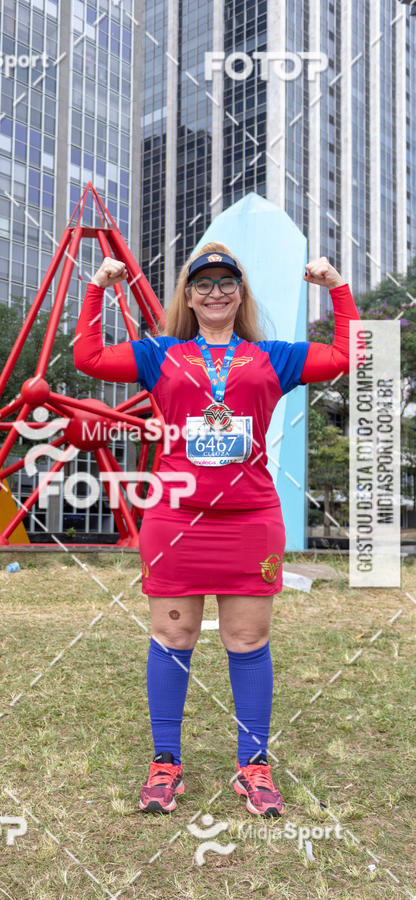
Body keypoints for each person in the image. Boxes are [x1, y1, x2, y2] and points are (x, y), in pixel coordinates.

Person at [73, 242, 359, 818]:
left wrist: (337, 287)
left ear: (240, 293)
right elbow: (90, 360)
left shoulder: (271, 357)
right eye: (203, 283)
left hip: (252, 522)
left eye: (227, 282)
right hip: (176, 519)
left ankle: (253, 767)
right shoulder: (162, 355)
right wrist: (97, 288)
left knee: (248, 642)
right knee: (173, 639)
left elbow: (345, 355)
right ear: (189, 295)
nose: (215, 292)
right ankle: (165, 765)